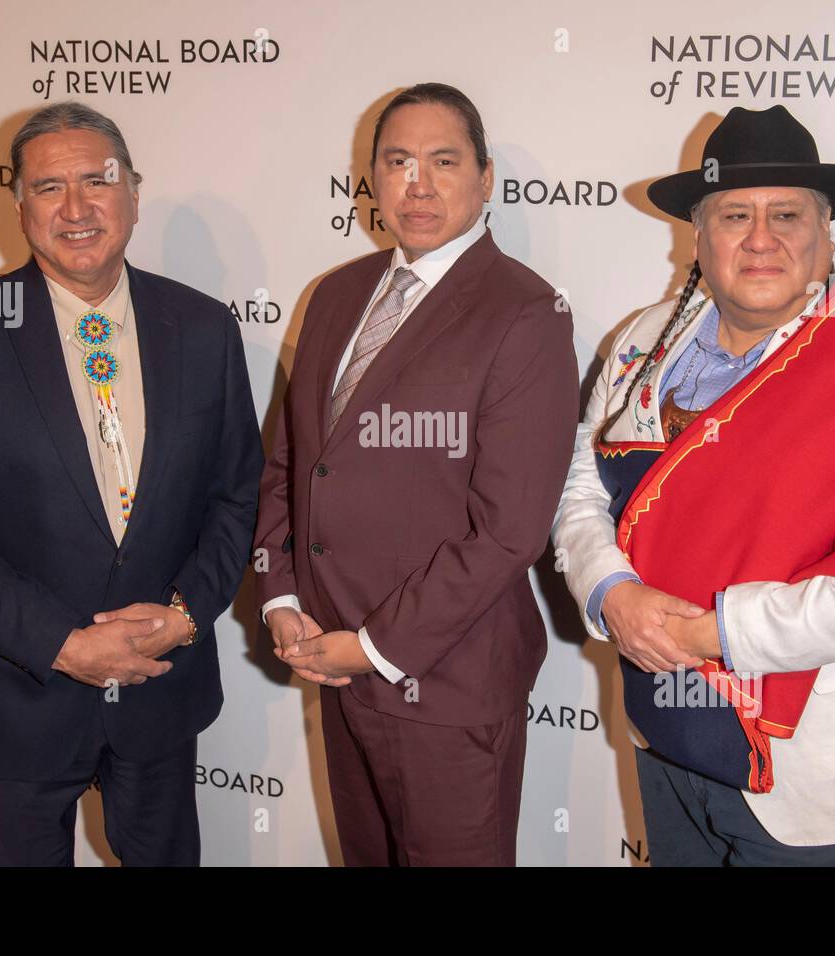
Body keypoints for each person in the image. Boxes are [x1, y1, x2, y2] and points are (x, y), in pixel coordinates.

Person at [551, 105, 835, 865]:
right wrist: (610, 594)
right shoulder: (643, 339)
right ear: (699, 236)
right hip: (666, 728)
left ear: (826, 235)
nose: (762, 238)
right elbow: (580, 485)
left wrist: (709, 633)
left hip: (807, 772)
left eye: (787, 214)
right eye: (734, 215)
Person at [0, 101, 263, 866]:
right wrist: (62, 644)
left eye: (97, 181)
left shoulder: (203, 328)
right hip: (13, 698)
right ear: (20, 207)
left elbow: (236, 497)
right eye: (48, 187)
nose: (76, 208)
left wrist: (185, 617)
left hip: (161, 685)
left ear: (133, 191)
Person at [253, 83, 578, 866]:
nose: (419, 185)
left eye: (443, 161)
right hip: (333, 665)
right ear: (373, 180)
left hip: (447, 684)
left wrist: (374, 648)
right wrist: (282, 595)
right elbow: (294, 461)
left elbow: (508, 532)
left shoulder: (527, 313)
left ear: (486, 176)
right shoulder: (333, 296)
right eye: (398, 163)